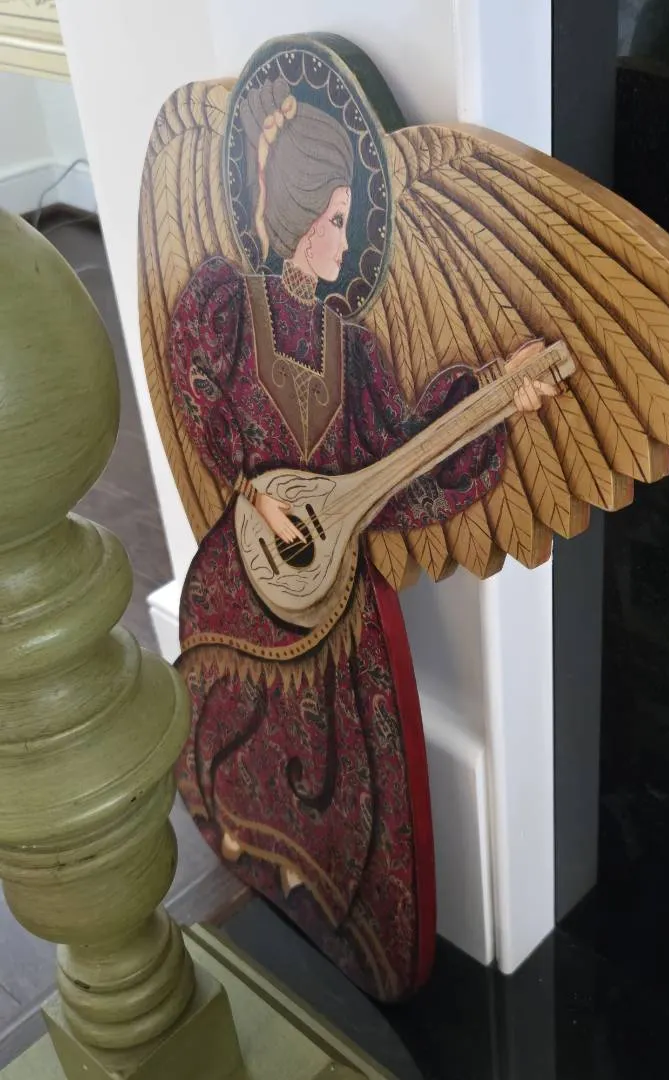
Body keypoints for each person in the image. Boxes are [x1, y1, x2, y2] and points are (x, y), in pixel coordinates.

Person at [169, 75, 556, 1000]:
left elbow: (398, 468)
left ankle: (350, 932)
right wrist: (259, 499)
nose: (344, 245)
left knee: (347, 777)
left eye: (351, 223)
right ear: (299, 214)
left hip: (334, 603)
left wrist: (498, 401)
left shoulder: (356, 353)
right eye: (336, 221)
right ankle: (247, 844)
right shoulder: (226, 308)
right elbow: (203, 405)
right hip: (244, 579)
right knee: (234, 730)